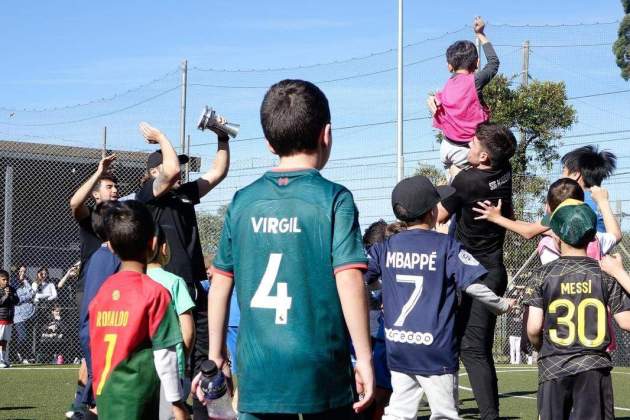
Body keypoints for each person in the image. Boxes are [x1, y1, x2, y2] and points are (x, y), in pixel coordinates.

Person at [194, 79, 374, 419]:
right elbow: (349, 278)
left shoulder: (242, 201)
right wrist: (363, 358)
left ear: (268, 144)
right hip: (321, 369)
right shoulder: (334, 198)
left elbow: (220, 284)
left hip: (258, 369)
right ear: (327, 133)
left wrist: (215, 355)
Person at [366, 175, 513, 420]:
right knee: (444, 413)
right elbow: (474, 286)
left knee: (398, 413)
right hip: (436, 350)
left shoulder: (385, 248)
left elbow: (361, 279)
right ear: (433, 211)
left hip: (399, 346)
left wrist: (375, 299)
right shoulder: (446, 246)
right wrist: (501, 304)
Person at [134, 119, 230, 418]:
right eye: (168, 162)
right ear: (153, 172)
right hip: (166, 289)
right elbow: (172, 170)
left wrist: (222, 138)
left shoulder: (184, 195)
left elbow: (217, 173)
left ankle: (201, 413)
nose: (180, 170)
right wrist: (162, 135)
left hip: (193, 288)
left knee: (206, 361)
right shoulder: (147, 195)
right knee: (173, 359)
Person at [437, 122, 517, 420]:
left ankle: (487, 415)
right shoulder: (504, 170)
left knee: (471, 348)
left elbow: (440, 215)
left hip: (471, 275)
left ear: (484, 157)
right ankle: (456, 409)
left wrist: (437, 192)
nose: (467, 148)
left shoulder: (468, 181)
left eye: (471, 145)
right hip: (493, 270)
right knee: (471, 346)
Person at [524, 199, 630, 420]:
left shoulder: (542, 275)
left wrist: (541, 348)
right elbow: (626, 322)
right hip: (594, 368)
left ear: (556, 236)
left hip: (554, 366)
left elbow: (533, 328)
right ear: (593, 237)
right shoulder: (606, 275)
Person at [88, 200, 187, 420]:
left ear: (111, 246)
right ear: (153, 244)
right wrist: (177, 403)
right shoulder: (155, 293)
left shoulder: (102, 293)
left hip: (105, 398)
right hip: (138, 400)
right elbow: (166, 355)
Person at [68, 154, 119, 419]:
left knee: (106, 350)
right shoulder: (91, 217)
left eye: (115, 186)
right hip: (89, 289)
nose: (115, 190)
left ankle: (92, 402)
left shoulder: (122, 217)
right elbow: (75, 202)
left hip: (117, 290)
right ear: (97, 194)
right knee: (91, 350)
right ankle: (81, 404)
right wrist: (99, 172)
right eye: (108, 186)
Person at [473, 179, 621, 260]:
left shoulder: (550, 241)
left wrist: (497, 218)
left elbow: (529, 232)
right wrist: (603, 202)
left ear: (550, 208)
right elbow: (616, 235)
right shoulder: (595, 239)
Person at [428, 16, 500, 180]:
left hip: (447, 148)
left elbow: (436, 104)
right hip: (467, 150)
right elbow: (494, 63)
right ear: (476, 63)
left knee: (455, 188)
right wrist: (481, 34)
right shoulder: (474, 81)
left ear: (449, 66)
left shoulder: (446, 88)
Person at [77, 201, 122, 419]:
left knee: (102, 393)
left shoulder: (110, 256)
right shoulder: (105, 257)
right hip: (98, 334)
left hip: (100, 334)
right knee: (103, 394)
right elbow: (97, 303)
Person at [146, 227, 196, 420]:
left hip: (140, 367)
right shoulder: (174, 282)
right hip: (171, 366)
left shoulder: (134, 280)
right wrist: (182, 359)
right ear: (164, 248)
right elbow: (188, 330)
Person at [561, 145, 616, 232]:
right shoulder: (601, 205)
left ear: (575, 174)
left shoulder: (571, 202)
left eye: (563, 171)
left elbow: (532, 231)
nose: (560, 177)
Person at [12, 270, 36, 363]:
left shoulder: (26, 282)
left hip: (30, 313)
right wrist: (27, 296)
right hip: (18, 315)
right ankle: (17, 352)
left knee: (29, 338)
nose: (23, 273)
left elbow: (32, 293)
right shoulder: (13, 284)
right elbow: (16, 300)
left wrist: (25, 281)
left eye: (24, 271)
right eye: (21, 272)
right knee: (22, 337)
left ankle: (25, 356)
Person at [0, 269, 19, 368]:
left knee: (5, 341)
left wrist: (10, 294)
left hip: (9, 319)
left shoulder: (11, 289)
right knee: (0, 340)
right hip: (1, 319)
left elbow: (16, 301)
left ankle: (5, 360)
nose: (6, 282)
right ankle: (0, 360)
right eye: (3, 279)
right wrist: (5, 295)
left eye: (7, 279)